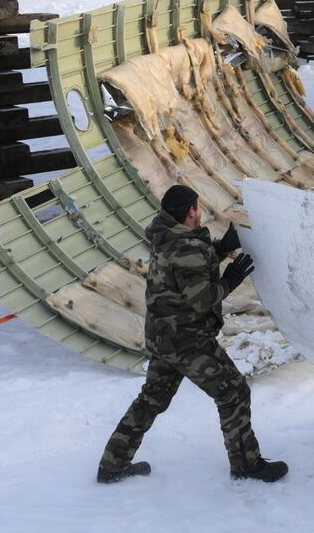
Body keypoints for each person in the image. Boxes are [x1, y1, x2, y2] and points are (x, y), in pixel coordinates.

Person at [97, 184, 288, 484]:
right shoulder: (186, 247)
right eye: (197, 207)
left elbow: (187, 265)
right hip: (186, 341)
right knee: (233, 392)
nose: (199, 212)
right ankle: (246, 465)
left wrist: (221, 249)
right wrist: (231, 279)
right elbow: (202, 297)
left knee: (151, 399)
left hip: (162, 336)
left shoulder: (165, 234)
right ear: (191, 211)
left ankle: (112, 464)